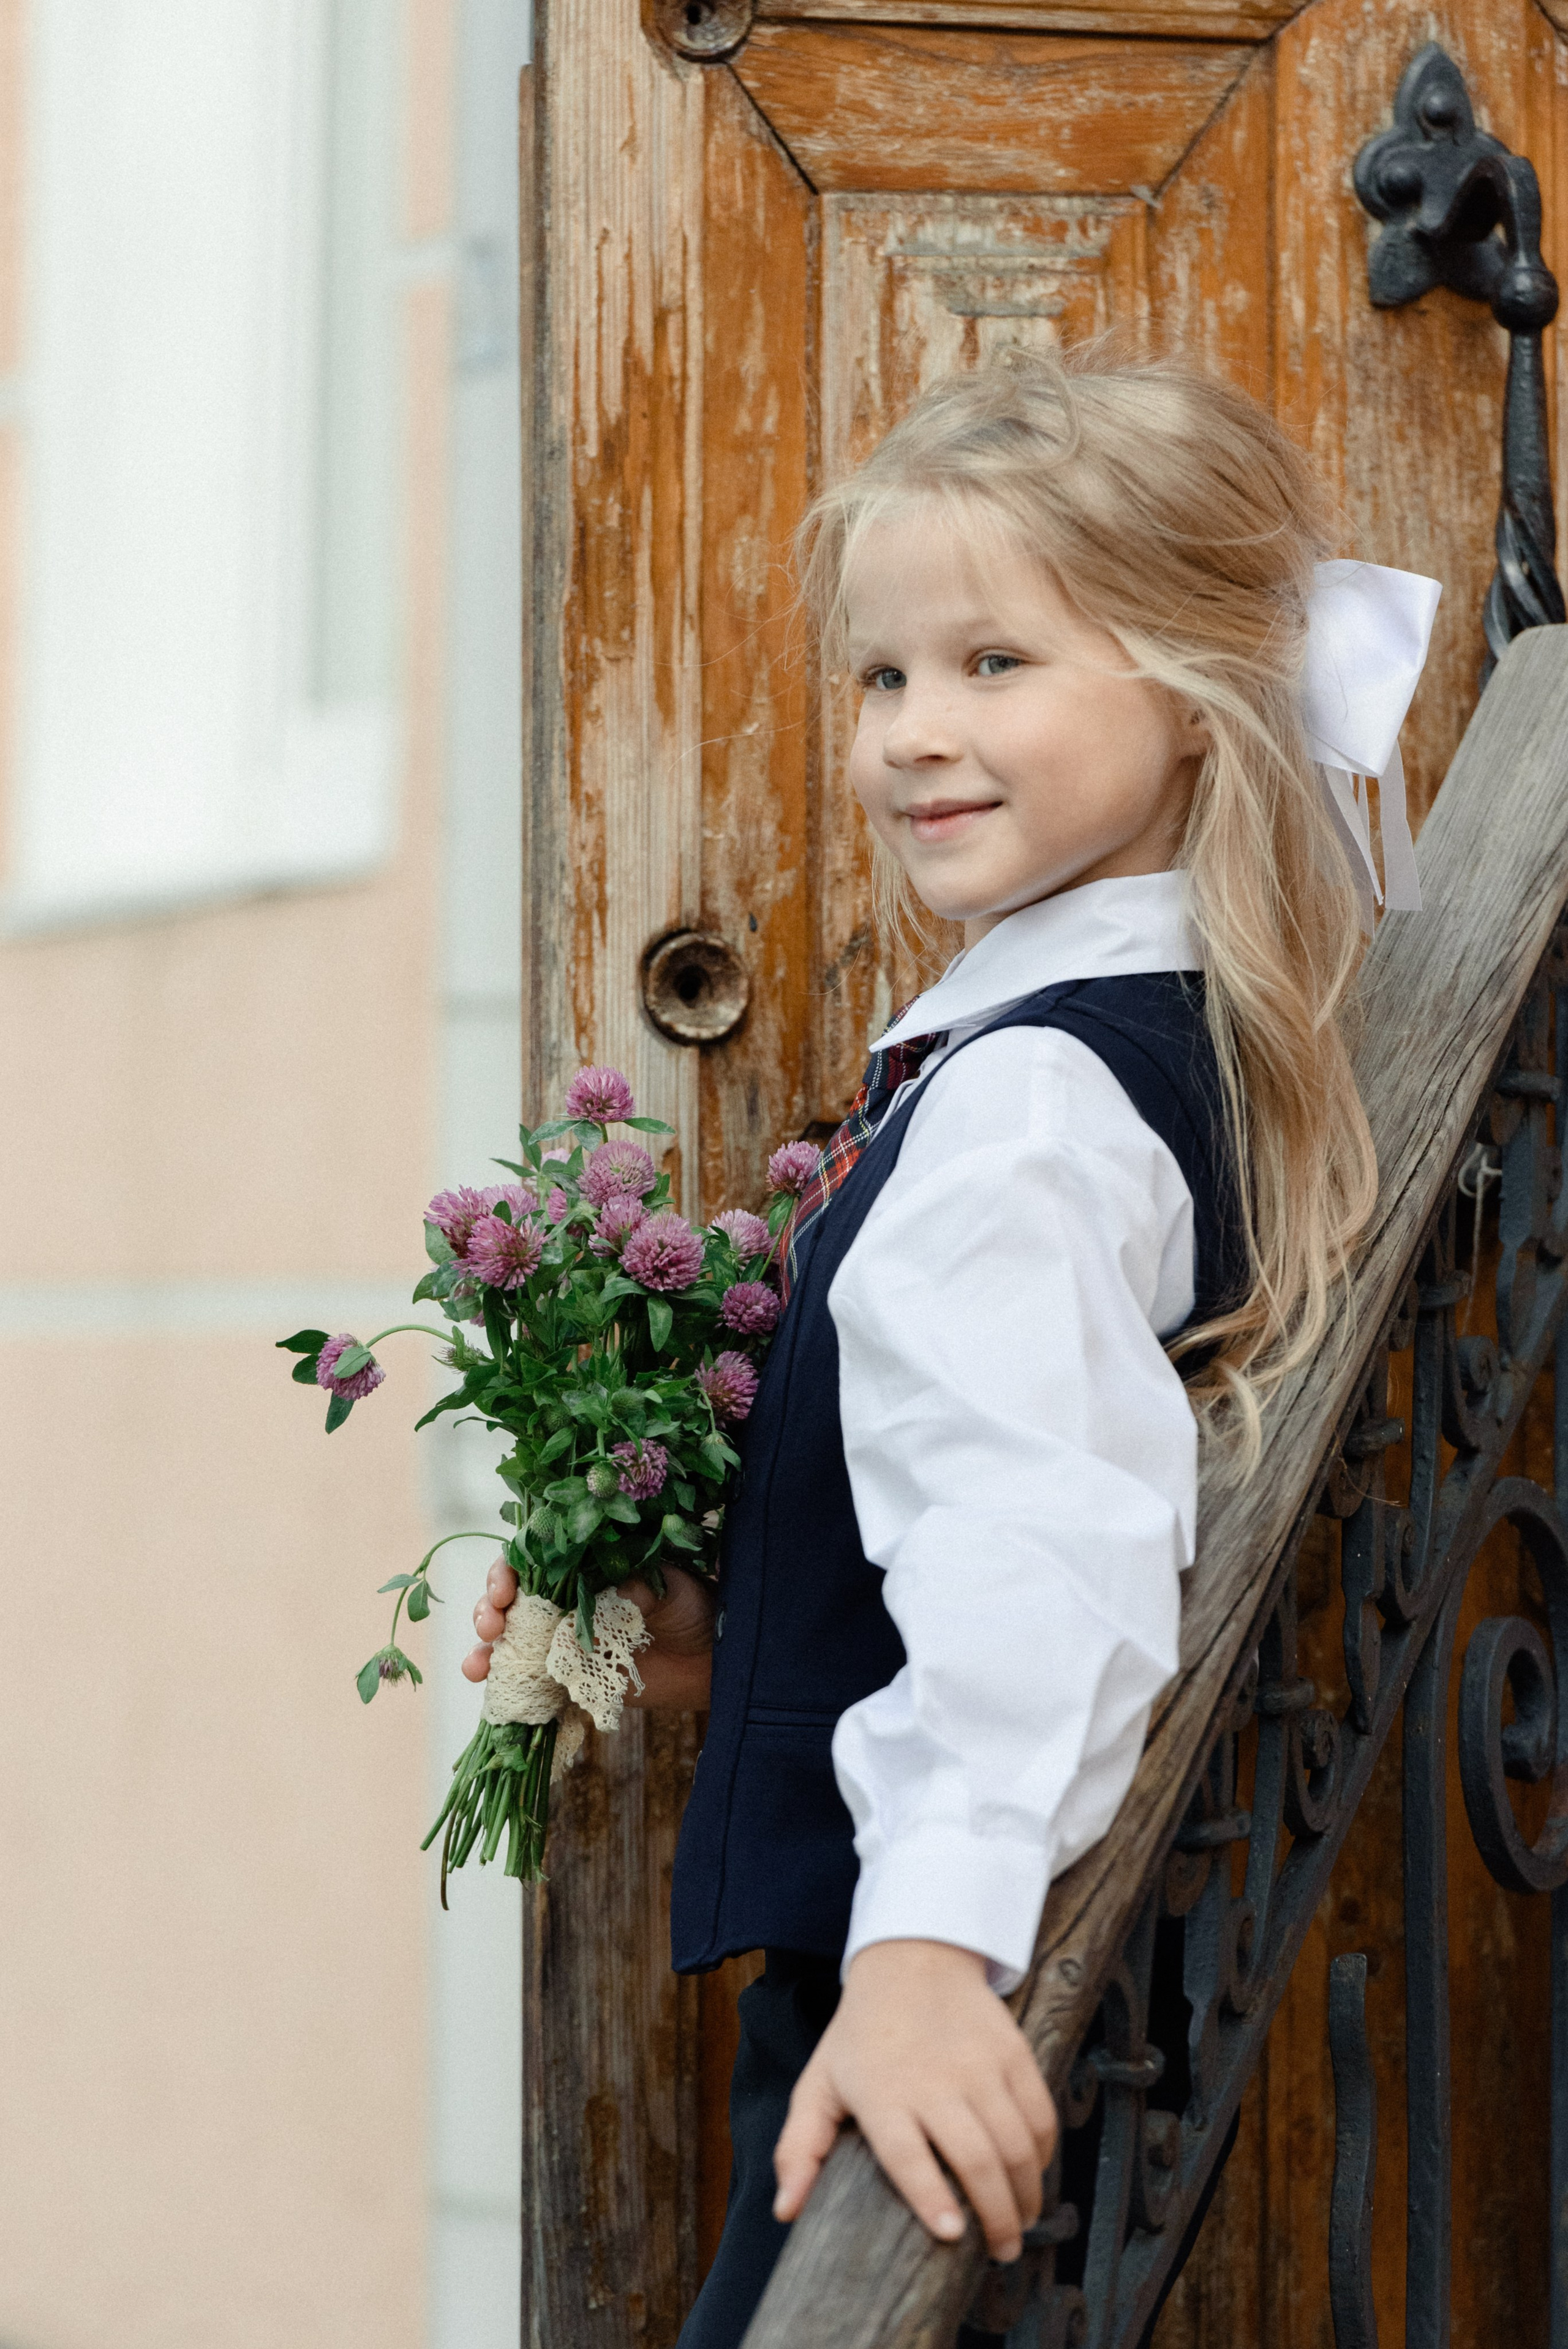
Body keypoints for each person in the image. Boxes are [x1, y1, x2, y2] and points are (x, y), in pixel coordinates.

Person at [466, 349, 1431, 2346]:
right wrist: (730, 1594)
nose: (916, 734)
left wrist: (922, 1944)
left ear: (1189, 688)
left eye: (997, 663)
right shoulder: (1152, 1035)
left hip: (901, 1972)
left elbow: (1031, 1529)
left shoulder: (1026, 1106)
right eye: (886, 675)